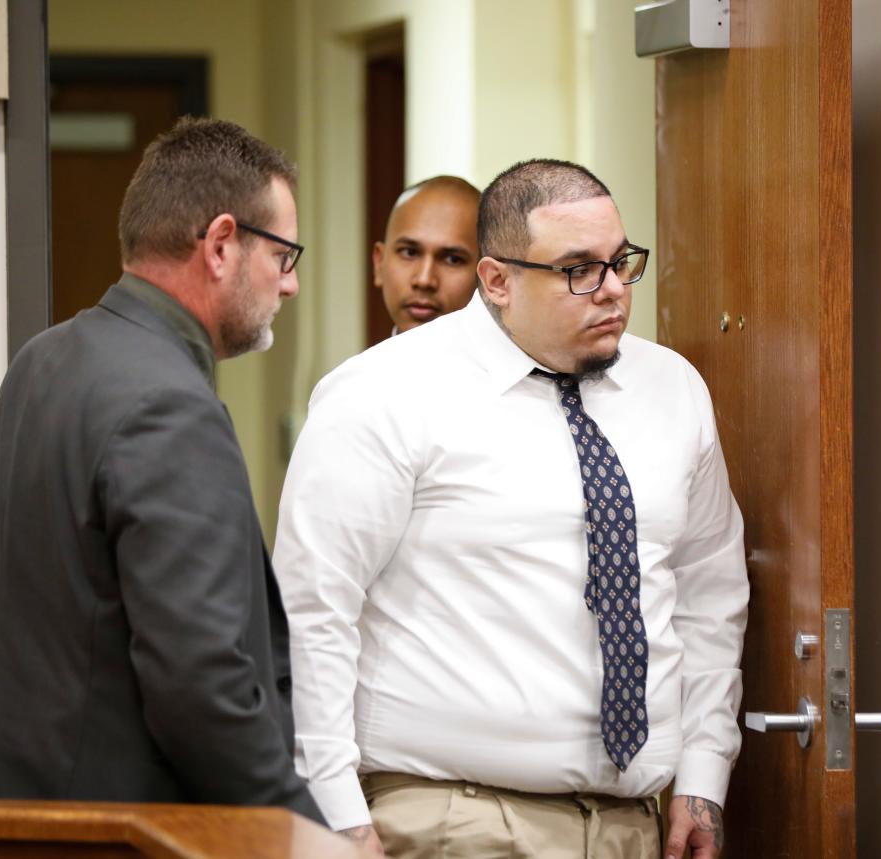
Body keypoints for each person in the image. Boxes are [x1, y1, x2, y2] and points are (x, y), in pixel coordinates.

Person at [274, 158, 749, 857]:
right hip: (454, 818)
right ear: (497, 280)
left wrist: (703, 776)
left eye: (620, 262)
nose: (612, 290)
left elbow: (709, 595)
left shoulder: (671, 389)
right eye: (578, 269)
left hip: (632, 827)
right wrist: (335, 808)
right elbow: (314, 608)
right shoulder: (383, 393)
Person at [0, 117, 323, 824]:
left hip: (8, 809)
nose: (292, 283)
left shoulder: (42, 359)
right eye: (284, 254)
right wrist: (302, 831)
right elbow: (201, 686)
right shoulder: (170, 405)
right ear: (220, 245)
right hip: (115, 827)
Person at [372, 175, 480, 334]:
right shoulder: (362, 360)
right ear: (379, 263)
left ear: (490, 277)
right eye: (410, 252)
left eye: (453, 260)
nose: (424, 280)